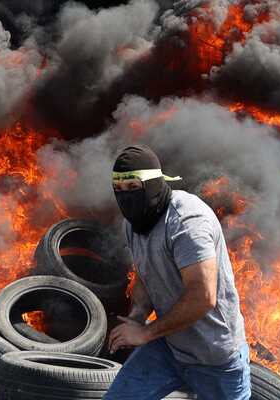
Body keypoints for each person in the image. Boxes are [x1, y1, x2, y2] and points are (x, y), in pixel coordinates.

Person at [104, 144, 251, 400]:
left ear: (153, 185)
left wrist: (145, 333)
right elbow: (145, 273)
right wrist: (138, 315)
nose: (125, 197)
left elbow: (203, 297)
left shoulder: (186, 221)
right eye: (119, 189)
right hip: (169, 347)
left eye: (133, 187)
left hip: (214, 357)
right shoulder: (134, 223)